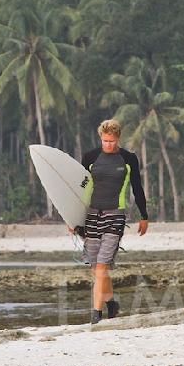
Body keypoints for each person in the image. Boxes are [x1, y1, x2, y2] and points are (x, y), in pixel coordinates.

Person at [73, 119, 149, 324]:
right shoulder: (90, 157)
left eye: (112, 141)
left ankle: (96, 316)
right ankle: (111, 304)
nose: (109, 145)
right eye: (106, 141)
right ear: (101, 138)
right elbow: (80, 188)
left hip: (115, 216)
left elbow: (137, 188)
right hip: (91, 216)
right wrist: (72, 218)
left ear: (118, 138)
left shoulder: (128, 158)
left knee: (101, 268)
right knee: (95, 268)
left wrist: (144, 216)